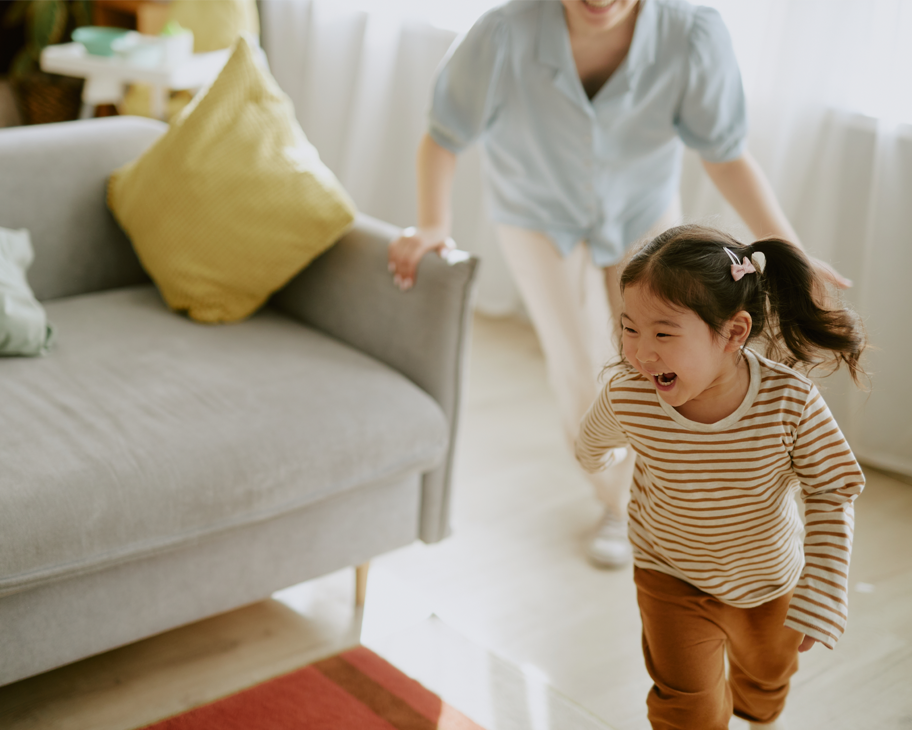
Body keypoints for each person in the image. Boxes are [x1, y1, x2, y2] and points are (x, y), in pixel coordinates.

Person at [387, 0, 851, 567]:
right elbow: (444, 135)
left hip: (642, 216)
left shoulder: (692, 33)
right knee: (586, 369)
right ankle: (625, 504)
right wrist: (434, 224)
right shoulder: (505, 32)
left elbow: (725, 153)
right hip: (537, 220)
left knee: (669, 358)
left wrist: (791, 251)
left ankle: (676, 497)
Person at [575, 224, 866, 729]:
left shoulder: (788, 402)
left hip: (769, 582)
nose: (642, 353)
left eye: (663, 333)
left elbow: (831, 489)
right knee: (684, 701)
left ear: (732, 332)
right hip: (667, 569)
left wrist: (823, 588)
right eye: (629, 328)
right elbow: (594, 439)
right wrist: (597, 458)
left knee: (764, 682)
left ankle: (756, 709)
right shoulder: (629, 395)